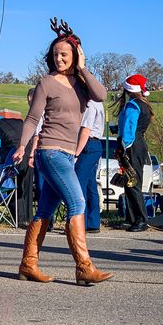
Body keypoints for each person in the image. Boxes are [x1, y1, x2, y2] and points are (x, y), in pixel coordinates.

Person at [12, 17, 113, 285]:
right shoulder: (47, 82)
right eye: (56, 54)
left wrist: (83, 66)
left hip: (68, 154)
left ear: (75, 55)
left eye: (64, 54)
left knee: (45, 210)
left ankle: (27, 264)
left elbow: (101, 95)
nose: (59, 58)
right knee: (77, 203)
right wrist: (23, 145)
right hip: (50, 151)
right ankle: (84, 267)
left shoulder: (81, 84)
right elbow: (33, 119)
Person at [112, 74, 153, 232]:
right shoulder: (144, 105)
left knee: (133, 183)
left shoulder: (132, 105)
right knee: (129, 182)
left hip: (132, 146)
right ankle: (131, 218)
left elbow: (130, 128)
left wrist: (124, 147)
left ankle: (141, 219)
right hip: (139, 144)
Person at [0, 107, 34, 226]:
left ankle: (20, 220)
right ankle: (29, 219)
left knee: (14, 187)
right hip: (29, 153)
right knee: (27, 187)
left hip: (15, 157)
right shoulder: (17, 121)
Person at [74, 100, 105, 234]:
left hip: (88, 144)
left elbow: (86, 130)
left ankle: (80, 223)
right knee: (90, 184)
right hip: (95, 144)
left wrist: (76, 153)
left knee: (79, 183)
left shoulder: (90, 104)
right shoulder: (98, 103)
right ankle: (92, 222)